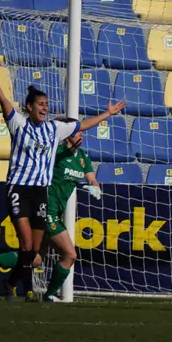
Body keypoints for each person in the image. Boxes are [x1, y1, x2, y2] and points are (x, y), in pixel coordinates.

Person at [0, 78, 124, 301]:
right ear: (30, 107)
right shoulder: (20, 125)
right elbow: (2, 98)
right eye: (41, 104)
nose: (45, 107)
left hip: (40, 194)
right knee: (37, 245)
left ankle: (10, 282)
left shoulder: (60, 135)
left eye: (47, 104)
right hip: (20, 189)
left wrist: (108, 114)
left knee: (34, 254)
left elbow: (84, 125)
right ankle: (30, 291)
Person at [39, 118, 102, 301]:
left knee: (35, 258)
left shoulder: (82, 157)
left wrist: (94, 187)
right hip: (46, 209)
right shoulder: (56, 153)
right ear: (67, 135)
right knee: (70, 254)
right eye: (77, 131)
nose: (81, 134)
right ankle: (49, 295)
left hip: (56, 211)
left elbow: (92, 178)